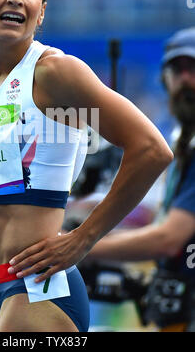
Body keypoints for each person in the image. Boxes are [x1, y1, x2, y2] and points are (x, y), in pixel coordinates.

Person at [0, 0, 173, 332]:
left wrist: (83, 239)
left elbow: (152, 149)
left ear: (41, 11)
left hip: (38, 286)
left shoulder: (55, 72)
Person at [77, 27, 195, 332]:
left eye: (194, 69)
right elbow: (164, 227)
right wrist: (90, 235)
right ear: (164, 80)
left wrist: (80, 246)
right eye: (177, 70)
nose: (186, 79)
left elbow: (169, 239)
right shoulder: (182, 142)